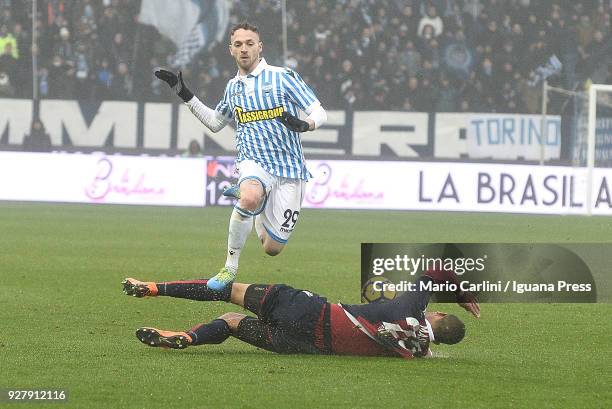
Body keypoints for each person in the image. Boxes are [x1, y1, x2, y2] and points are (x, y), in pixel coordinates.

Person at [154, 22, 327, 291]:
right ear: (231, 50)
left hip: (290, 168)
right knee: (248, 196)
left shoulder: (282, 77)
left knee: (272, 248)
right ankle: (229, 267)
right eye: (238, 44)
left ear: (260, 47)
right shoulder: (233, 88)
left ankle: (257, 206)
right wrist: (183, 92)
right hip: (253, 162)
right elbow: (215, 122)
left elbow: (319, 111)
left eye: (249, 43)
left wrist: (306, 125)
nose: (244, 49)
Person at [122, 268, 479, 358]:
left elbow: (436, 268)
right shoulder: (416, 352)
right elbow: (427, 347)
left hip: (310, 311)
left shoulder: (410, 306)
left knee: (227, 291)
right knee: (231, 325)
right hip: (303, 344)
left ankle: (153, 288)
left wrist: (461, 294)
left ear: (435, 317)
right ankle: (188, 336)